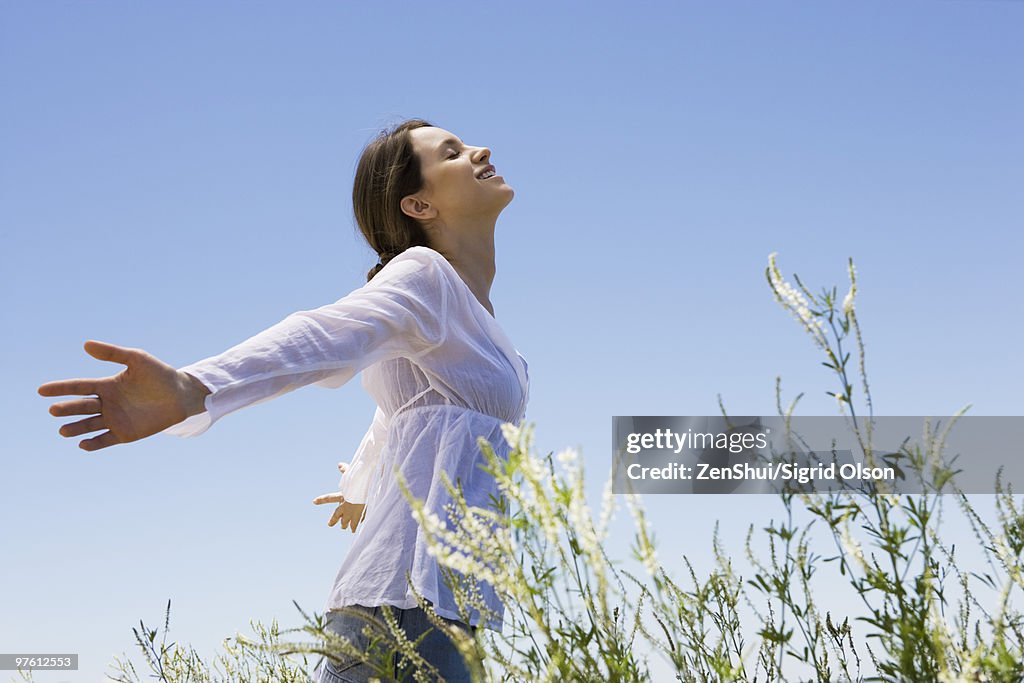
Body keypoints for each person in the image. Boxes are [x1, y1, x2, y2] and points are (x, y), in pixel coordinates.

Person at [36, 118, 530, 682]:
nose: (479, 149)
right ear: (417, 204)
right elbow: (323, 334)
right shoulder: (425, 275)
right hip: (407, 603)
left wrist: (361, 484)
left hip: (440, 600)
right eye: (453, 152)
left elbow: (402, 406)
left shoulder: (476, 319)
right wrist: (197, 388)